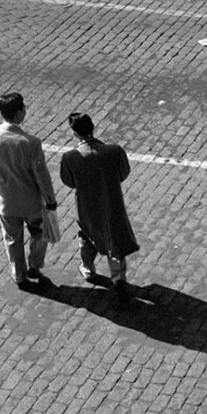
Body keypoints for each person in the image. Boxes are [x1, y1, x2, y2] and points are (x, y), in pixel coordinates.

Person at [0, 91, 58, 288]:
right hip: (31, 202)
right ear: (20, 112)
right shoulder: (31, 142)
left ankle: (18, 273)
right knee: (40, 234)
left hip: (6, 200)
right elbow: (42, 175)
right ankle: (35, 266)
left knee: (12, 238)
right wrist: (50, 199)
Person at [59, 112, 139, 301]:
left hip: (87, 206)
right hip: (112, 202)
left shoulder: (70, 157)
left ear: (74, 133)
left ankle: (88, 268)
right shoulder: (114, 151)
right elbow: (123, 173)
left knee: (87, 237)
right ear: (92, 127)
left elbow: (69, 182)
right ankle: (118, 278)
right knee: (115, 241)